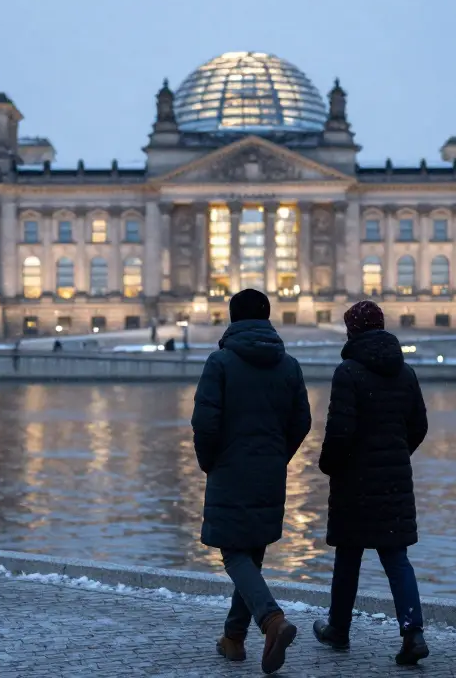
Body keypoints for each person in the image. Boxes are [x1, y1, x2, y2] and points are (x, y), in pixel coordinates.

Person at [192, 289, 311, 675]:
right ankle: (233, 639)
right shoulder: (289, 365)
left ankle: (272, 620)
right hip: (270, 470)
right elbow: (302, 421)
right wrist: (278, 455)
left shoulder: (221, 362)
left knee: (233, 551)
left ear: (232, 319)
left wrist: (210, 461)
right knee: (252, 552)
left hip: (230, 468)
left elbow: (205, 422)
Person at [312, 300, 430, 666]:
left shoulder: (348, 372)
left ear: (352, 332)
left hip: (353, 481)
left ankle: (338, 628)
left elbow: (339, 432)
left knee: (348, 556)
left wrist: (329, 465)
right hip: (393, 479)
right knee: (397, 558)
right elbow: (419, 426)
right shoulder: (405, 372)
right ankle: (413, 632)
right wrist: (395, 454)